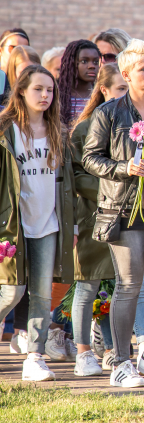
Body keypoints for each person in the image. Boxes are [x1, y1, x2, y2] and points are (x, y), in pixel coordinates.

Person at [83, 39, 144, 388]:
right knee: (129, 284)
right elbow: (90, 158)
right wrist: (124, 168)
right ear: (126, 74)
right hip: (124, 208)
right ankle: (121, 363)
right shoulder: (109, 113)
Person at [0, 65, 74, 382]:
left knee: (43, 294)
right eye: (38, 89)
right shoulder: (6, 131)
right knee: (12, 291)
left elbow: (68, 184)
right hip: (13, 227)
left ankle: (34, 357)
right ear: (21, 91)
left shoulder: (58, 131)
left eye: (50, 90)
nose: (45, 95)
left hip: (49, 225)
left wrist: (72, 226)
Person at [70, 64, 129, 376]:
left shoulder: (133, 124)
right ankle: (83, 352)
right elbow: (78, 175)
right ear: (104, 90)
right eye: (120, 89)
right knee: (88, 284)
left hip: (126, 216)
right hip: (94, 215)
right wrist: (113, 191)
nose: (125, 95)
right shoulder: (84, 128)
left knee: (120, 285)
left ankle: (112, 349)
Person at [58, 40, 100, 126]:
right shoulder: (59, 97)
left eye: (96, 62)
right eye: (84, 61)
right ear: (71, 63)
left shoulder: (101, 96)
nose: (92, 66)